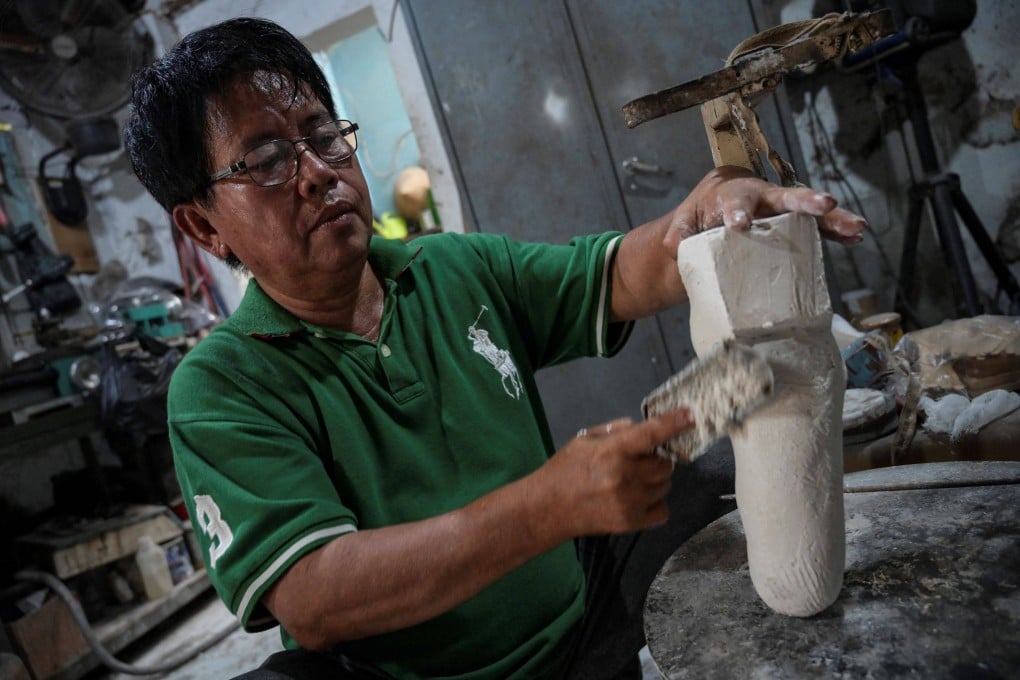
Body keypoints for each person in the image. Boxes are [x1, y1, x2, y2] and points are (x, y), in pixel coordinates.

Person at [123, 17, 865, 680]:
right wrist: (544, 508)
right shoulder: (221, 386)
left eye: (322, 136)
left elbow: (622, 274)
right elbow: (315, 596)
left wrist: (707, 217)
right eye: (266, 161)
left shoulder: (448, 268)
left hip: (578, 624)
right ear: (204, 229)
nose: (318, 173)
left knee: (708, 473)